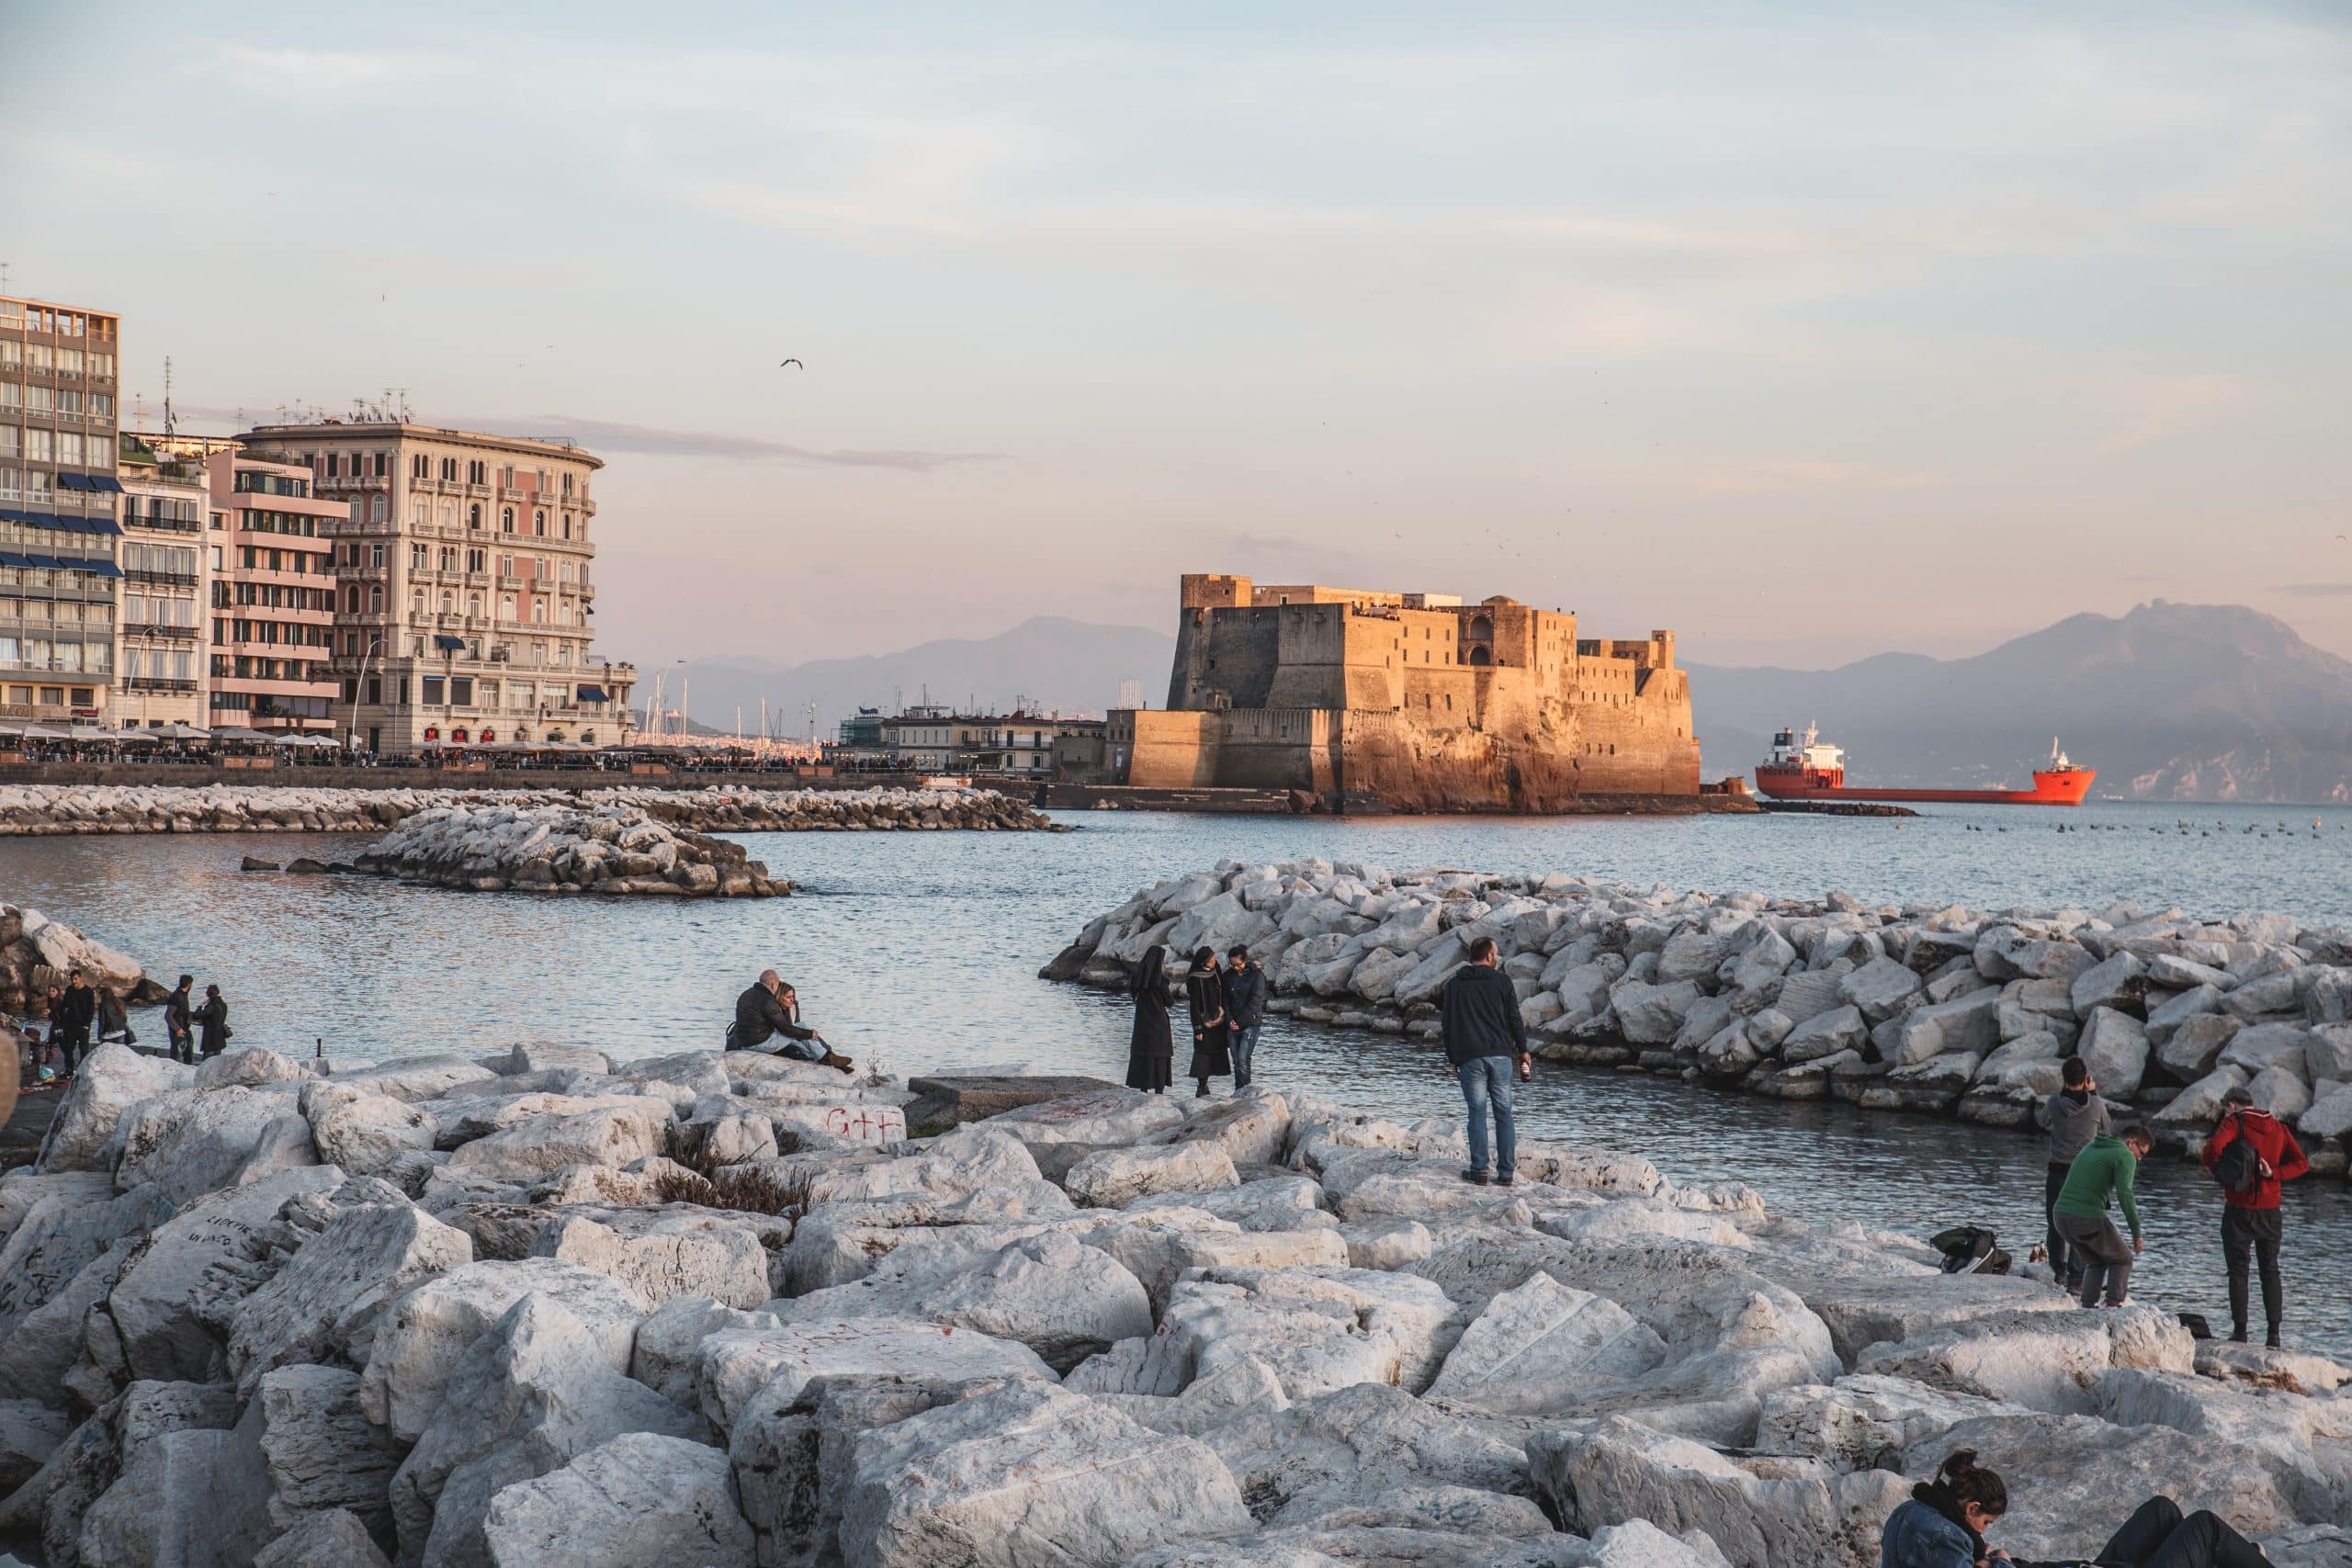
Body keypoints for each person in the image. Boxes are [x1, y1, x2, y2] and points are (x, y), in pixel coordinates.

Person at [1882, 1450, 2273, 1568]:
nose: (1984, 1533)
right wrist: (1997, 1563)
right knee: (2204, 1527)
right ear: (1971, 1508)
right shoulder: (1947, 1536)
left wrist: (1991, 1559)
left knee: (2163, 1510)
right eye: (1984, 1523)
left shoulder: (1911, 1514)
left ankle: (2240, 1560)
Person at [2200, 1085, 2309, 1348]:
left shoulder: (2233, 1124)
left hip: (2239, 1208)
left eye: (2226, 1108)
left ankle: (2240, 1333)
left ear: (2232, 1106)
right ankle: (2274, 1335)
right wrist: (2275, 1174)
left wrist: (2220, 1174)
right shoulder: (2279, 1128)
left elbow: (2212, 1149)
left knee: (2238, 1271)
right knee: (2270, 1271)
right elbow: (2302, 1164)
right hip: (2271, 1212)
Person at [1441, 935, 1529, 1187]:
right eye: (1496, 952)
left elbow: (1447, 1025)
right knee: (1504, 1114)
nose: (1497, 956)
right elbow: (1515, 1019)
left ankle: (1479, 1170)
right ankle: (1506, 1173)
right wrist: (1523, 1050)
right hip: (1500, 1056)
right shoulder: (1502, 982)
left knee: (1476, 1114)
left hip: (1469, 1057)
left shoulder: (1454, 985)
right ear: (1490, 956)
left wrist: (1453, 1058)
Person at [2052, 1122, 2152, 1309]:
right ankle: (2113, 1308)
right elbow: (2125, 1195)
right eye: (2141, 1153)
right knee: (2123, 1259)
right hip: (2085, 1217)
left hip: (2060, 1216)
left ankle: (2088, 1307)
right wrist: (2136, 1233)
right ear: (2132, 1142)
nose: (2139, 1159)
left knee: (2096, 1261)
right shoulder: (2125, 1155)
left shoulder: (2093, 1145)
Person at [2044, 1056, 2110, 1295]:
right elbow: (2107, 1129)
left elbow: (2042, 1122)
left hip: (2057, 1172)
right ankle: (2076, 1280)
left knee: (2056, 1224)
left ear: (2063, 1079)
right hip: (2085, 1175)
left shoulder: (2054, 1103)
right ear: (2085, 1080)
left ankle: (2058, 1270)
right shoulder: (2096, 1105)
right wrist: (2094, 1093)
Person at [1880, 1449, 2007, 1567]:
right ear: (1972, 1508)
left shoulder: (1906, 1508)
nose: (1981, 1531)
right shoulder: (1952, 1538)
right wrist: (2002, 1563)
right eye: (1985, 1522)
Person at [727, 970, 853, 1072]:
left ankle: (828, 1057)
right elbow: (786, 1029)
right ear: (773, 984)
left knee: (799, 1033)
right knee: (801, 1027)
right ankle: (827, 1058)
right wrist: (810, 1034)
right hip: (760, 1044)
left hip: (745, 1043)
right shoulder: (768, 1001)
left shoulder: (745, 995)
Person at [1125, 946, 1174, 1094]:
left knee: (1143, 1057)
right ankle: (1159, 1091)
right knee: (1160, 1057)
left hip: (1142, 1024)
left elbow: (1133, 994)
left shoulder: (1137, 977)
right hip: (1159, 1025)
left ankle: (1143, 1089)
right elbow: (1170, 1002)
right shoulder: (1160, 981)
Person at [1183, 947, 1230, 1099]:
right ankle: (1202, 1085)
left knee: (1217, 1049)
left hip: (1219, 1018)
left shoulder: (1216, 971)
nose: (1213, 962)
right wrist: (1197, 1028)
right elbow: (1194, 1005)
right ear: (1203, 961)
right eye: (1210, 960)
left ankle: (1208, 1084)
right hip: (1203, 1022)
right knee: (1202, 1051)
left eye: (1214, 959)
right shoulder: (1195, 978)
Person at [1222, 944, 1266, 1091]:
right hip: (1232, 1023)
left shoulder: (1257, 976)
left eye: (1237, 964)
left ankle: (1245, 1090)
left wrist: (1239, 1022)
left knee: (1243, 1059)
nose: (1235, 967)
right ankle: (1238, 1089)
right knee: (1235, 1060)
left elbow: (1255, 1001)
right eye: (1232, 964)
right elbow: (1225, 1000)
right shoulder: (1228, 976)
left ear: (1244, 960)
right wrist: (1229, 1020)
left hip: (1250, 1023)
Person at [55, 969, 95, 1077]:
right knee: (68, 1049)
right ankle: (69, 1070)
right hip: (70, 1025)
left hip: (83, 1025)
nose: (74, 982)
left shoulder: (88, 991)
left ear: (81, 978)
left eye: (76, 979)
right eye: (72, 979)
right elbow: (64, 1006)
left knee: (84, 1050)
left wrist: (87, 1024)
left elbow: (91, 1010)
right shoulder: (70, 990)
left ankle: (83, 1071)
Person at [164, 976, 196, 1066]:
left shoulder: (183, 995)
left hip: (185, 1029)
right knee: (176, 1056)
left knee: (188, 1055)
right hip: (178, 1031)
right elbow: (168, 1016)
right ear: (189, 984)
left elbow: (183, 1012)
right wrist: (177, 1029)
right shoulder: (176, 997)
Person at [194, 984, 231, 1057]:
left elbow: (197, 1015)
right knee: (216, 1061)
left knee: (207, 1061)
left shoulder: (211, 1005)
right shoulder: (223, 1004)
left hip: (210, 1038)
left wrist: (200, 1006)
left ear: (208, 994)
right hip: (220, 1037)